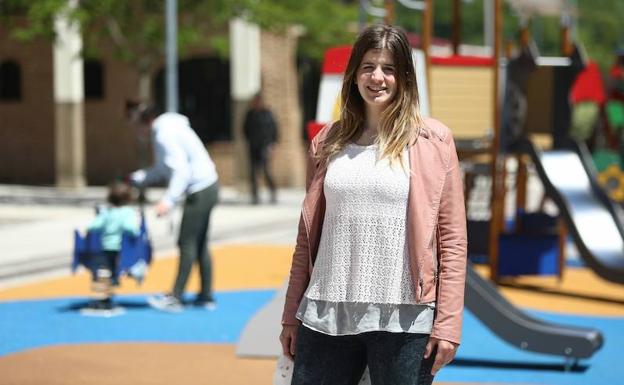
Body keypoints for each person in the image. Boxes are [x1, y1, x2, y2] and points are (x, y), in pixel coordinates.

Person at [279, 25, 467, 385]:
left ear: (405, 78)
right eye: (368, 67)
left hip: (405, 319)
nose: (377, 77)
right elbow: (307, 239)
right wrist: (291, 315)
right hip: (326, 314)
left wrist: (448, 324)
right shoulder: (327, 142)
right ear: (353, 75)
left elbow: (453, 242)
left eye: (389, 68)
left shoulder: (432, 140)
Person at [126, 102, 220, 312]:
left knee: (186, 242)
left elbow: (180, 171)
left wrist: (168, 201)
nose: (136, 132)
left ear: (146, 121)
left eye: (136, 126)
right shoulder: (171, 127)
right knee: (200, 243)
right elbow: (163, 168)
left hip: (199, 190)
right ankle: (206, 296)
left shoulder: (163, 134)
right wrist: (138, 178)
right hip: (209, 185)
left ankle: (176, 297)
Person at [86, 181, 140, 311]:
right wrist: (133, 231)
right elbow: (131, 228)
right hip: (120, 248)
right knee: (118, 269)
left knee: (104, 273)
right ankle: (119, 279)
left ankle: (104, 299)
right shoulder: (128, 212)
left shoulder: (106, 212)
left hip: (105, 247)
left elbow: (94, 226)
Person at [243, 93, 278, 204]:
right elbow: (244, 129)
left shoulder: (267, 114)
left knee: (266, 170)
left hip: (264, 146)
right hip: (253, 146)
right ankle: (255, 195)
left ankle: (273, 190)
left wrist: (272, 144)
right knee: (253, 171)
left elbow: (274, 129)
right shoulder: (250, 114)